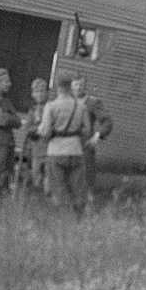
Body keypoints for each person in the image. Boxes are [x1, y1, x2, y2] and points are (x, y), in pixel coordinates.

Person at [36, 75, 90, 215]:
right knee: (78, 187)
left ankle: (64, 218)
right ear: (70, 86)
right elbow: (86, 130)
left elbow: (46, 131)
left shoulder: (51, 106)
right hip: (76, 150)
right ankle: (78, 219)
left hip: (56, 151)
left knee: (59, 187)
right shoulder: (81, 105)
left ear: (58, 88)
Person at [70, 76, 113, 202]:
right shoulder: (67, 102)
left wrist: (97, 136)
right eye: (75, 85)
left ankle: (88, 210)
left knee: (87, 180)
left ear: (85, 85)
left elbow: (108, 122)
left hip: (85, 145)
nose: (78, 88)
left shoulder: (92, 103)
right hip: (68, 145)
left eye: (80, 84)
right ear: (71, 87)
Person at [21, 77, 51, 191]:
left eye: (43, 91)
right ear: (33, 94)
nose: (40, 94)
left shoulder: (52, 108)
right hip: (37, 150)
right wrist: (39, 129)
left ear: (47, 93)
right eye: (37, 91)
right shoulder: (32, 111)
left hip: (50, 150)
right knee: (35, 178)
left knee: (49, 180)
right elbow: (27, 128)